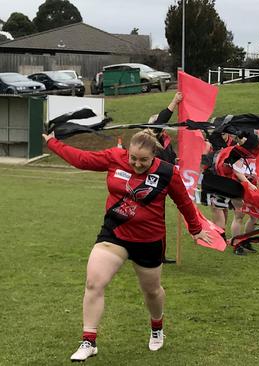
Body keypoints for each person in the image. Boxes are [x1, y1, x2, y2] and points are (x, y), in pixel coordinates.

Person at [43, 130, 211, 361]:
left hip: (149, 240)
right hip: (115, 234)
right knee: (94, 282)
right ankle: (89, 341)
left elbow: (183, 201)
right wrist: (53, 143)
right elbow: (81, 159)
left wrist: (196, 228)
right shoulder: (114, 157)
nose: (137, 163)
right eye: (133, 158)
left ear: (154, 155)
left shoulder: (167, 172)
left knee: (151, 291)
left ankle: (156, 327)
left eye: (143, 160)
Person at [148, 92, 183, 263]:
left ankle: (159, 256)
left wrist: (176, 160)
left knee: (159, 221)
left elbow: (170, 157)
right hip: (151, 184)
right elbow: (162, 119)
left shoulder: (165, 139)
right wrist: (174, 102)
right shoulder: (149, 137)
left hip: (164, 182)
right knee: (150, 221)